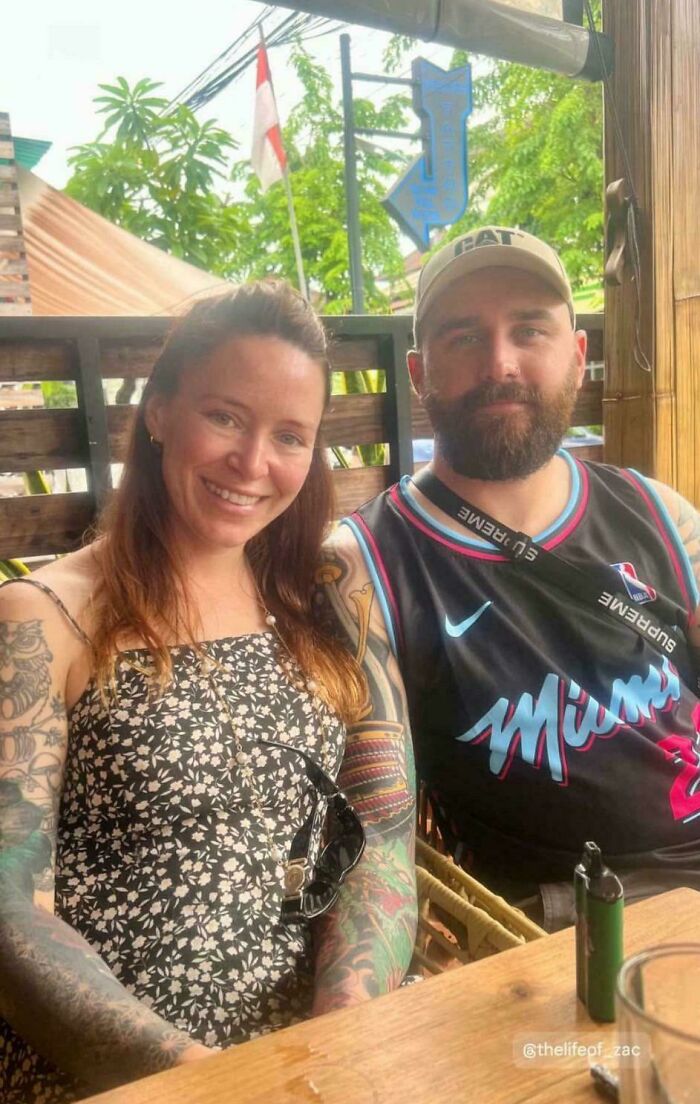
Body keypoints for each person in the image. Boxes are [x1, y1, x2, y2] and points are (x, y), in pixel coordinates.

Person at [0, 280, 417, 1103]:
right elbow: (8, 899)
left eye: (290, 436)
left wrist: (342, 1028)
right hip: (120, 1073)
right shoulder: (43, 618)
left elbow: (384, 834)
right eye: (225, 416)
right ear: (157, 411)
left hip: (324, 1063)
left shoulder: (331, 591)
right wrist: (209, 1082)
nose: (253, 463)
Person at [323, 225, 700, 932]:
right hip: (576, 926)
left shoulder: (661, 515)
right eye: (463, 337)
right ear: (417, 372)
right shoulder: (366, 566)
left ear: (578, 356)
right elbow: (375, 824)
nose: (500, 363)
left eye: (530, 331)